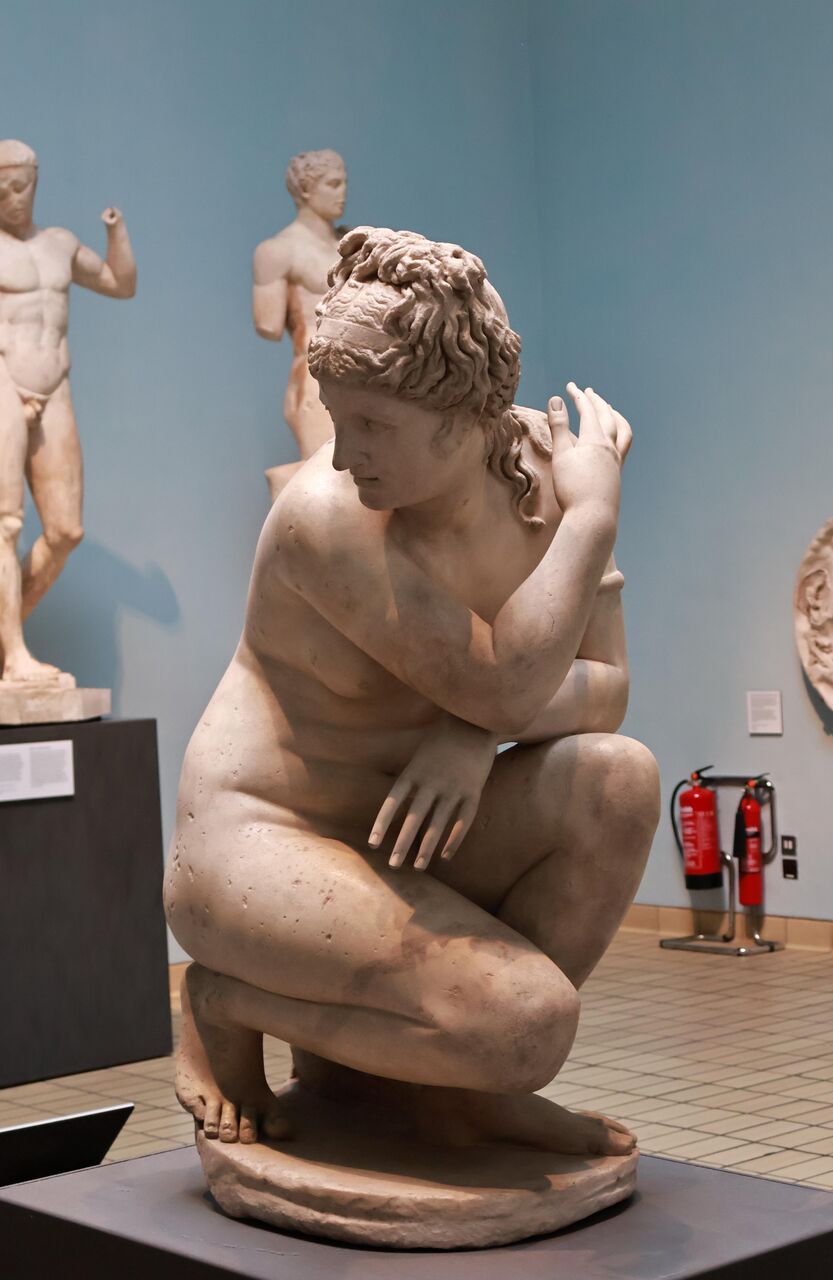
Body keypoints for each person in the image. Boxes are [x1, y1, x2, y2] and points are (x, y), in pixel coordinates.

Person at [168, 227, 659, 1154]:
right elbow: (507, 692)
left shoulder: (545, 478)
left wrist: (468, 737)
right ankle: (228, 998)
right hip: (266, 842)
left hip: (408, 829)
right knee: (526, 1023)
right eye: (335, 419)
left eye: (372, 426)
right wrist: (594, 513)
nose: (342, 455)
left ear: (461, 411)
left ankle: (459, 1087)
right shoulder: (328, 521)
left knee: (617, 778)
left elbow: (605, 691)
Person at [0, 139, 136, 683]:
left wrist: (115, 232)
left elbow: (121, 284)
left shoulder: (58, 244)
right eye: (2, 190)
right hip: (3, 378)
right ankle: (14, 655)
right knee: (6, 525)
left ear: (34, 183)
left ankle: (5, 638)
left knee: (65, 530)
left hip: (54, 382)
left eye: (20, 186)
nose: (12, 198)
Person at [253, 149, 347, 499]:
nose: (343, 192)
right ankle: (287, 502)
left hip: (367, 376)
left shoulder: (352, 245)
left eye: (344, 183)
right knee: (331, 484)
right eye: (333, 184)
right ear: (306, 189)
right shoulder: (278, 251)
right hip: (315, 378)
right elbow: (268, 323)